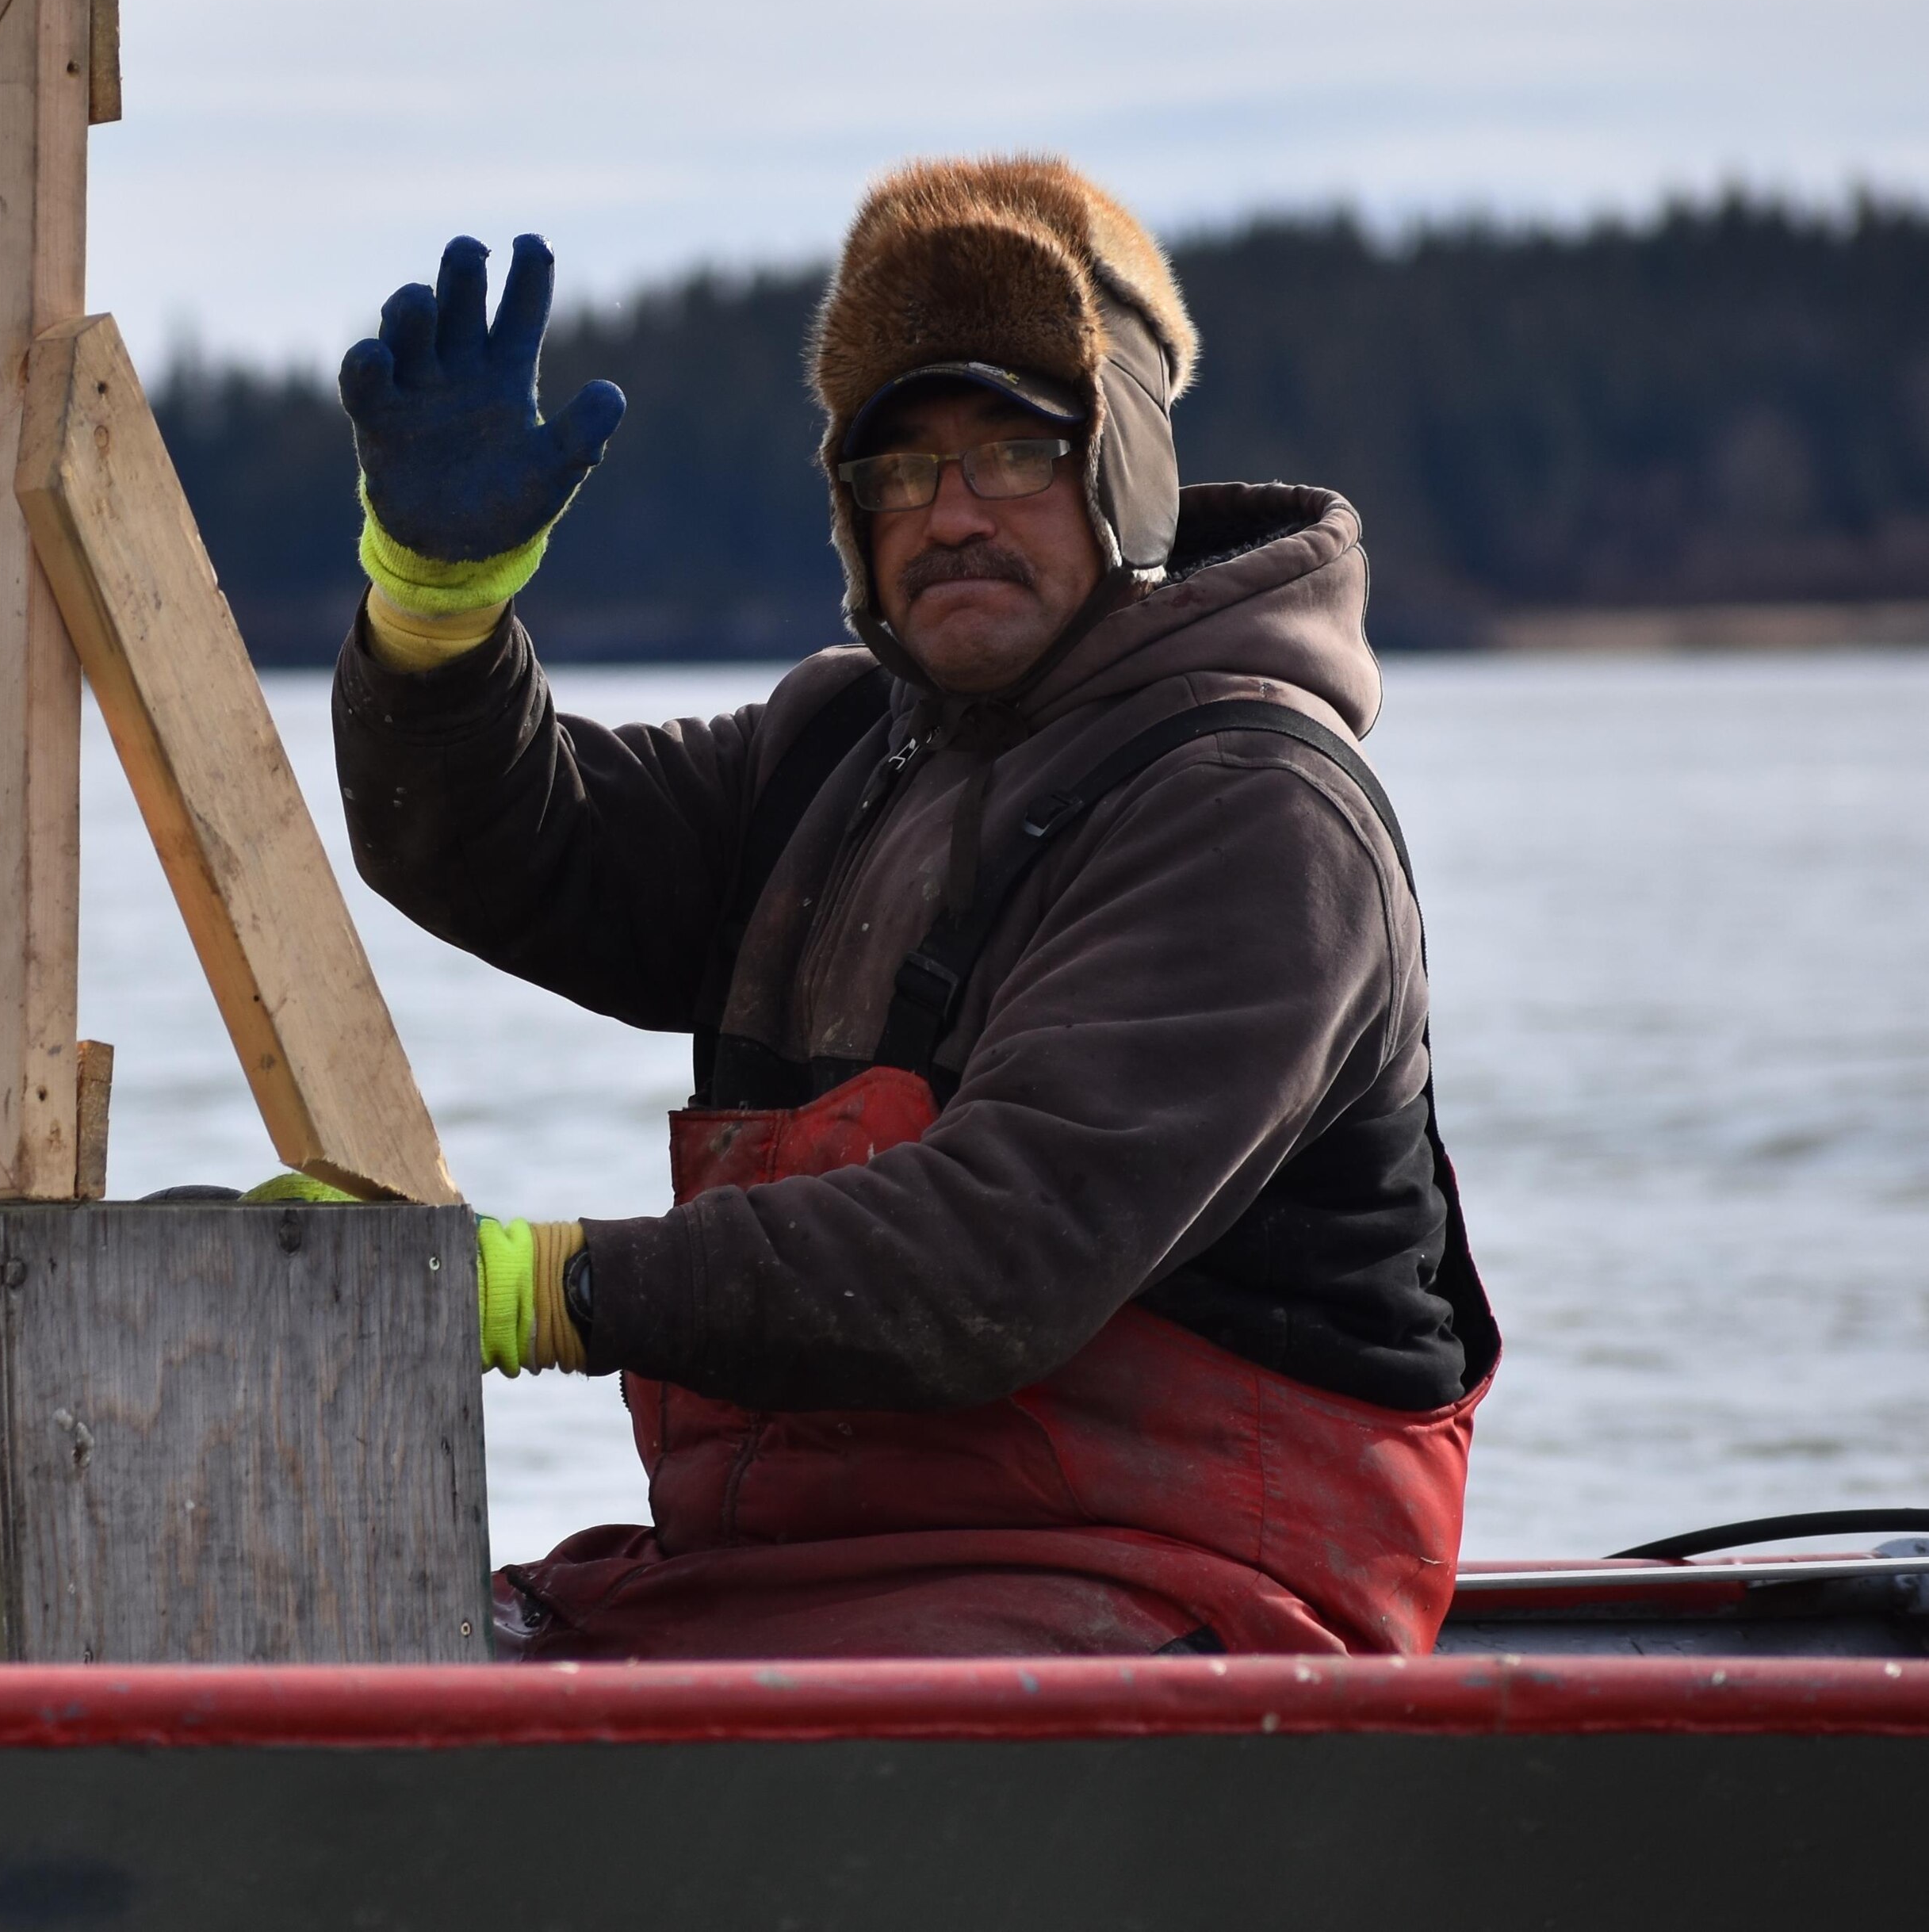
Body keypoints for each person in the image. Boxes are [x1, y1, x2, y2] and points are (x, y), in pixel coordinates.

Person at [302, 157, 1496, 1658]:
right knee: (352, 1631)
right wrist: (437, 608)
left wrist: (549, 1291)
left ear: (1122, 461)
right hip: (826, 1579)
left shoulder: (1254, 810)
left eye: (1012, 450)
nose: (947, 514)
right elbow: (505, 849)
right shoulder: (833, 756)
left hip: (1183, 1601)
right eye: (895, 471)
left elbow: (995, 1255)